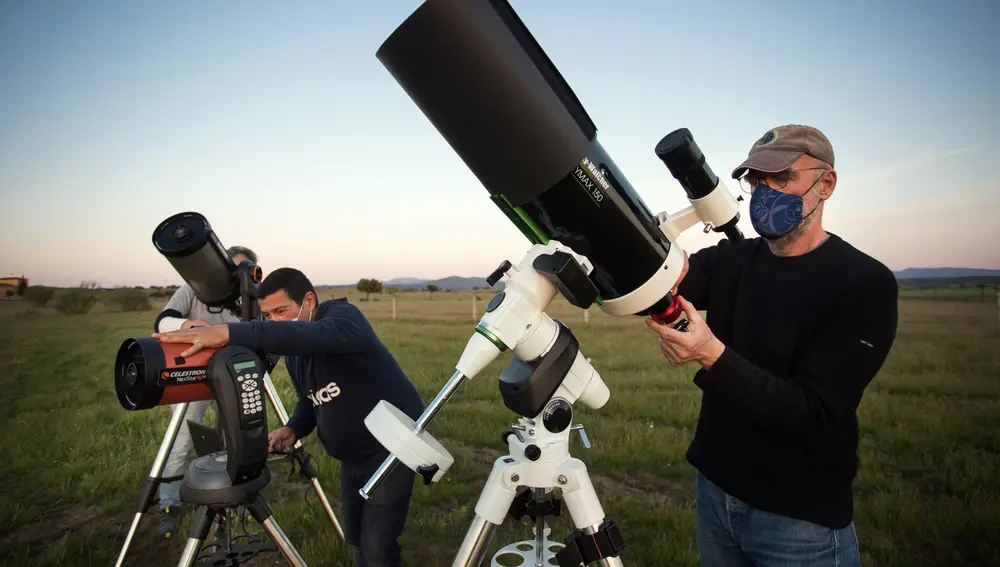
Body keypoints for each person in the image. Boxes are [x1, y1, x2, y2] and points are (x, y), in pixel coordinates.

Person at [645, 125, 898, 566]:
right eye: (756, 181)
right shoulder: (732, 260)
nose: (765, 192)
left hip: (798, 520)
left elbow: (813, 412)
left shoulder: (863, 285)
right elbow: (663, 279)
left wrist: (711, 355)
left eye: (781, 179)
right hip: (716, 493)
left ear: (827, 184)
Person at [153, 267, 425, 567]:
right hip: (354, 457)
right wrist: (294, 428)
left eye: (281, 311)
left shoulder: (344, 318)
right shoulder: (296, 352)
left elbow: (318, 336)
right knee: (358, 537)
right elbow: (312, 397)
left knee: (378, 547)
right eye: (267, 316)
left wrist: (227, 332)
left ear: (309, 301)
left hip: (391, 449)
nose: (275, 322)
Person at [152, 245, 259, 539]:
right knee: (181, 442)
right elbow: (163, 321)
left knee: (233, 444)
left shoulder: (248, 299)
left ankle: (227, 503)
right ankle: (169, 505)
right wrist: (190, 326)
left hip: (231, 380)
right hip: (191, 376)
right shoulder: (191, 289)